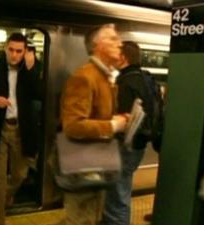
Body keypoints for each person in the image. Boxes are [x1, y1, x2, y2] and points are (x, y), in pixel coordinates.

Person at [60, 23, 127, 225]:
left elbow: (98, 115)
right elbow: (72, 125)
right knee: (80, 220)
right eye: (113, 39)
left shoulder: (104, 77)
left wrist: (118, 120)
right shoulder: (85, 77)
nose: (120, 43)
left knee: (92, 218)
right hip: (83, 164)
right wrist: (113, 126)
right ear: (98, 45)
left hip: (96, 162)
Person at [0, 32, 41, 225]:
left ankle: (6, 195)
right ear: (5, 48)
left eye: (18, 51)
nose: (14, 55)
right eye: (11, 50)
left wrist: (31, 70)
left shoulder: (29, 70)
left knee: (21, 173)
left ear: (25, 52)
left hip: (21, 129)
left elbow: (39, 93)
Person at [101, 41, 148, 225]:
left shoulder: (125, 82)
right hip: (138, 146)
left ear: (123, 57)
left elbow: (121, 118)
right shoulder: (145, 78)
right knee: (122, 194)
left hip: (124, 146)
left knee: (117, 199)